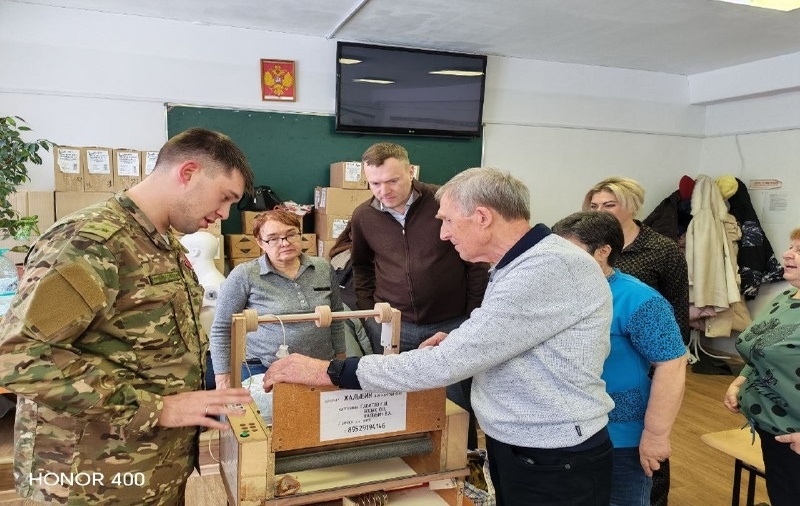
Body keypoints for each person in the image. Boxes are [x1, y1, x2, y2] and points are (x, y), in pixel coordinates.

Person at [265, 167, 615, 506]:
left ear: (482, 217)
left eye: (447, 220)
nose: (443, 234)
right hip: (527, 446)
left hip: (553, 456)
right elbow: (512, 333)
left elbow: (446, 366)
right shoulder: (522, 263)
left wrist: (329, 372)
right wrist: (462, 338)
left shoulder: (546, 268)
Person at [0, 128, 255, 505]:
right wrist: (157, 407)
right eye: (225, 198)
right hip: (89, 479)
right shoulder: (90, 242)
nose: (223, 214)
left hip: (150, 470)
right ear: (187, 173)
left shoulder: (162, 241)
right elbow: (19, 355)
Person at [350, 142, 489, 447]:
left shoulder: (446, 202)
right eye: (374, 183)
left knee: (455, 403)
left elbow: (476, 263)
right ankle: (410, 460)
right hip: (394, 326)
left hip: (450, 323)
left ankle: (466, 464)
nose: (383, 191)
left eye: (392, 180)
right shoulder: (363, 216)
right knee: (399, 403)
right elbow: (361, 267)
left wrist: (472, 315)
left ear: (410, 171)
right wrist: (370, 311)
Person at [552, 211, 687, 506]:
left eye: (568, 252)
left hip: (620, 439)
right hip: (563, 433)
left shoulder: (638, 299)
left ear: (603, 252)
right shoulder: (555, 293)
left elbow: (672, 364)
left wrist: (655, 434)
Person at [584, 176, 689, 506]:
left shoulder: (660, 251)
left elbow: (675, 318)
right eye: (594, 205)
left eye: (609, 205)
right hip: (594, 399)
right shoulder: (578, 265)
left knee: (640, 472)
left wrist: (657, 427)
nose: (600, 211)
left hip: (643, 370)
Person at [210, 209, 346, 390]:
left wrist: (340, 360)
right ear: (260, 242)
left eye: (291, 234)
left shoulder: (322, 268)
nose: (285, 243)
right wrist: (223, 378)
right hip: (263, 369)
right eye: (273, 238)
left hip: (319, 368)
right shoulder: (245, 275)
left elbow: (336, 316)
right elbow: (222, 328)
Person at [723, 227, 800, 506]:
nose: (786, 254)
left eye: (799, 251)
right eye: (791, 247)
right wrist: (740, 381)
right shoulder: (786, 297)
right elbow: (759, 347)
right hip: (774, 427)